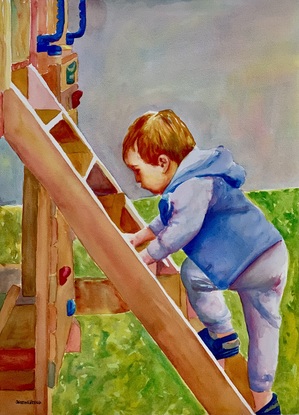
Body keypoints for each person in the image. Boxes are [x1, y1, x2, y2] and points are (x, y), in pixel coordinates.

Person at [122, 109, 288, 415]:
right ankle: (264, 402)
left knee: (194, 274)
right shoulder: (196, 177)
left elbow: (180, 229)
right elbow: (169, 217)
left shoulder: (192, 185)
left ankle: (223, 335)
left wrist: (148, 254)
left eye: (137, 170)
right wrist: (141, 235)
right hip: (271, 254)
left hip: (243, 259)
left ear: (162, 162)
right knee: (265, 329)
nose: (137, 180)